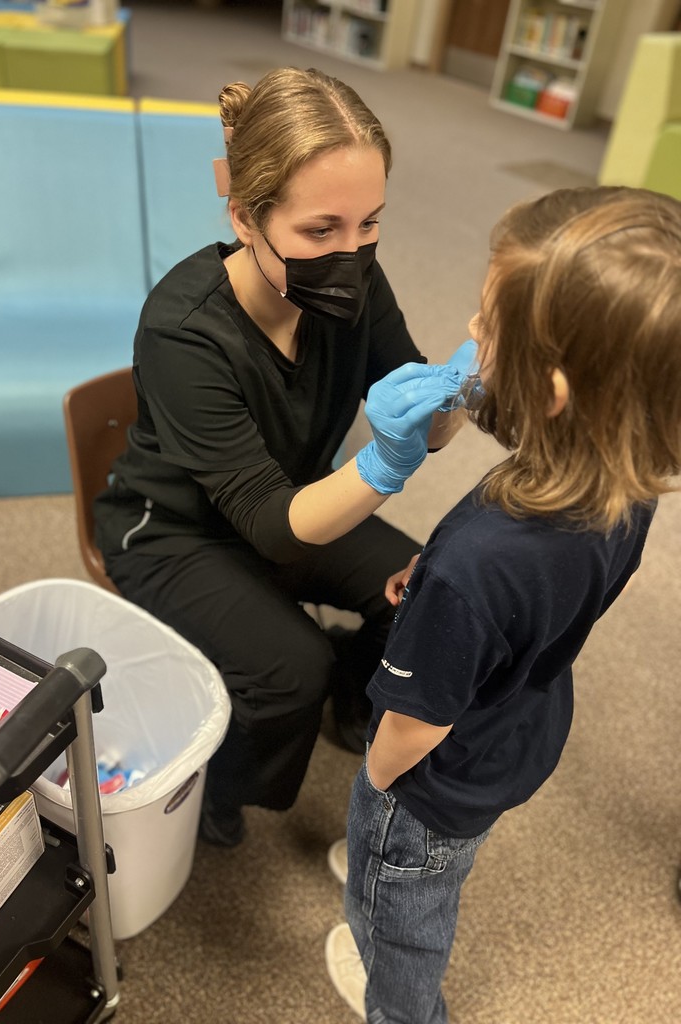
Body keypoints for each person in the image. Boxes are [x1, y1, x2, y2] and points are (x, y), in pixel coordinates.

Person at [324, 185, 681, 1023]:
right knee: (442, 866)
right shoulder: (624, 481)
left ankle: (405, 1010)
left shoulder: (479, 562)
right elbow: (535, 602)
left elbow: (416, 725)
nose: (471, 336)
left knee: (402, 919)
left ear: (552, 392)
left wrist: (374, 784)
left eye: (487, 325)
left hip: (426, 785)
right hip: (517, 727)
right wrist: (449, 602)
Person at [93, 67, 473, 847]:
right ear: (246, 217)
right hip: (173, 531)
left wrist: (460, 390)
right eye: (320, 230)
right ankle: (214, 797)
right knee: (286, 670)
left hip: (293, 502)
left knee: (425, 588)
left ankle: (351, 691)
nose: (353, 251)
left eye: (370, 224)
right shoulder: (184, 330)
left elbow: (422, 416)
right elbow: (272, 526)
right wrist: (382, 467)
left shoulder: (354, 283)